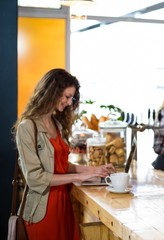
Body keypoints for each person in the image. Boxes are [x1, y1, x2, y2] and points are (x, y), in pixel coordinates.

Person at [12, 68, 115, 240]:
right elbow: (35, 178)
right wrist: (78, 178)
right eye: (67, 96)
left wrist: (94, 170)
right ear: (53, 91)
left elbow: (61, 166)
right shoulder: (27, 127)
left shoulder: (56, 123)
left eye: (71, 98)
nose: (69, 102)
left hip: (64, 207)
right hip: (44, 212)